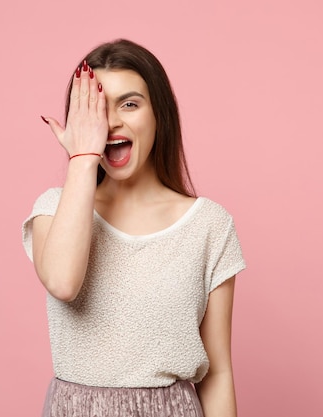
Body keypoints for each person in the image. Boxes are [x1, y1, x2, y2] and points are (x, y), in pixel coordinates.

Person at [22, 39, 246, 417]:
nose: (110, 122)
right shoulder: (53, 208)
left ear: (159, 114)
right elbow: (63, 282)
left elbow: (218, 372)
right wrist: (81, 157)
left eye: (129, 104)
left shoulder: (209, 225)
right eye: (95, 107)